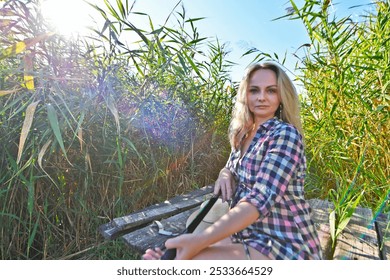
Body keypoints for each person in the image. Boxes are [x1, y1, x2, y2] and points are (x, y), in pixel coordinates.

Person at [142, 61, 323, 260]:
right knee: (178, 255)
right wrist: (225, 173)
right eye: (254, 90)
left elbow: (260, 198)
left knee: (189, 259)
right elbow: (233, 166)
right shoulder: (243, 134)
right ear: (245, 95)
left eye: (271, 91)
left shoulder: (285, 135)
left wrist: (201, 240)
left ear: (281, 96)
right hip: (244, 234)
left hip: (282, 240)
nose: (261, 97)